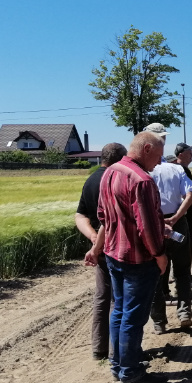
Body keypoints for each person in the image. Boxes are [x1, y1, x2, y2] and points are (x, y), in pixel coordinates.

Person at [84, 131, 169, 383]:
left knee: (119, 311)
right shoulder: (142, 180)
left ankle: (118, 364)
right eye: (157, 155)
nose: (159, 161)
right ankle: (131, 372)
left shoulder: (110, 172)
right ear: (145, 149)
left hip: (113, 254)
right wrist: (160, 255)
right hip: (139, 259)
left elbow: (102, 215)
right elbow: (147, 228)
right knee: (133, 316)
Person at [75, 142, 127, 360]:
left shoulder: (91, 180)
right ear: (120, 158)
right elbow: (111, 218)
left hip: (100, 245)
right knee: (120, 299)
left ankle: (99, 349)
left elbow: (80, 216)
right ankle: (119, 351)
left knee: (102, 297)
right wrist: (98, 240)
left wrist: (93, 237)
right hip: (118, 245)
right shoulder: (117, 178)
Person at [148, 154, 192, 333]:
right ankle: (185, 312)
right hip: (178, 223)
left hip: (154, 225)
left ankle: (159, 321)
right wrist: (177, 217)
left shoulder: (146, 171)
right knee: (183, 271)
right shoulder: (176, 169)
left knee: (155, 274)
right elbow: (190, 195)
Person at [174, 143, 192, 282]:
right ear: (180, 155)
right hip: (186, 215)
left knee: (189, 245)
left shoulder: (184, 169)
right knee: (185, 246)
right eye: (189, 153)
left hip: (190, 214)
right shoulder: (180, 169)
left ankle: (187, 275)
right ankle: (183, 278)